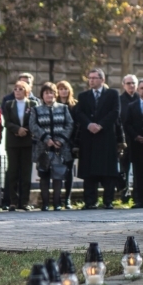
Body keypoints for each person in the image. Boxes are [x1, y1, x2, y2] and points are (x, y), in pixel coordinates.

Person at [73, 69, 120, 210]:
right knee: (89, 172)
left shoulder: (112, 94)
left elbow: (115, 112)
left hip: (106, 138)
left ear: (102, 79)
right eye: (89, 78)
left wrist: (100, 125)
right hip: (89, 139)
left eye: (94, 78)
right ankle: (90, 201)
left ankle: (108, 201)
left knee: (108, 172)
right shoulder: (83, 96)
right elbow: (79, 113)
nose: (91, 80)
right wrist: (89, 124)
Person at [30, 82, 74, 211]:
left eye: (51, 92)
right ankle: (44, 203)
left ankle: (57, 203)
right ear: (42, 95)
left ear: (55, 94)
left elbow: (70, 125)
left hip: (60, 149)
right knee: (44, 175)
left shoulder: (63, 108)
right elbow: (33, 126)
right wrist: (46, 139)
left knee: (58, 175)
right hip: (43, 148)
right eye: (46, 93)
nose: (49, 95)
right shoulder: (36, 110)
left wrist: (60, 140)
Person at [2, 80, 34, 211]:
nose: (17, 91)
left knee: (26, 173)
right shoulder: (9, 104)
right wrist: (17, 129)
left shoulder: (32, 104)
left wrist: (24, 129)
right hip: (13, 142)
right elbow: (7, 122)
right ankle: (13, 202)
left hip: (27, 141)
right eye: (15, 89)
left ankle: (24, 202)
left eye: (20, 89)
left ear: (26, 91)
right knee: (13, 172)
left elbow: (34, 121)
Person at [124, 79, 143, 208]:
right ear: (138, 90)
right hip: (136, 145)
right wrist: (136, 136)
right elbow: (127, 124)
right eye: (142, 88)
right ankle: (139, 200)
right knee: (138, 174)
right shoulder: (132, 106)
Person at [56, 80, 78, 208]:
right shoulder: (53, 105)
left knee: (68, 170)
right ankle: (57, 200)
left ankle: (67, 199)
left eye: (66, 89)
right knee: (57, 171)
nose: (64, 91)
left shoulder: (74, 105)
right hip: (56, 142)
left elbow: (76, 125)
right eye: (61, 89)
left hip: (70, 142)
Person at [118, 74, 140, 204]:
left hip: (138, 140)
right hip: (124, 140)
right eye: (128, 83)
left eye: (133, 83)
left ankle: (138, 196)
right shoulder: (119, 100)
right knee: (123, 169)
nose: (131, 86)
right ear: (123, 85)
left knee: (138, 170)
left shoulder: (141, 99)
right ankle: (124, 194)